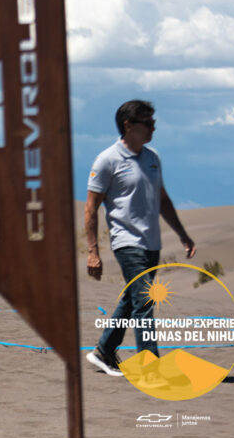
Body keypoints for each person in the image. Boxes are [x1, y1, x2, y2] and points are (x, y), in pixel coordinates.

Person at [84, 99, 196, 377]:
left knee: (132, 300)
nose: (153, 128)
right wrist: (93, 252)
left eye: (153, 122)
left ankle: (104, 351)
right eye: (148, 123)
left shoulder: (152, 158)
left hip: (151, 244)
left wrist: (183, 235)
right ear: (129, 126)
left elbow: (163, 201)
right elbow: (90, 207)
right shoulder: (107, 160)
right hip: (126, 242)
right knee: (145, 300)